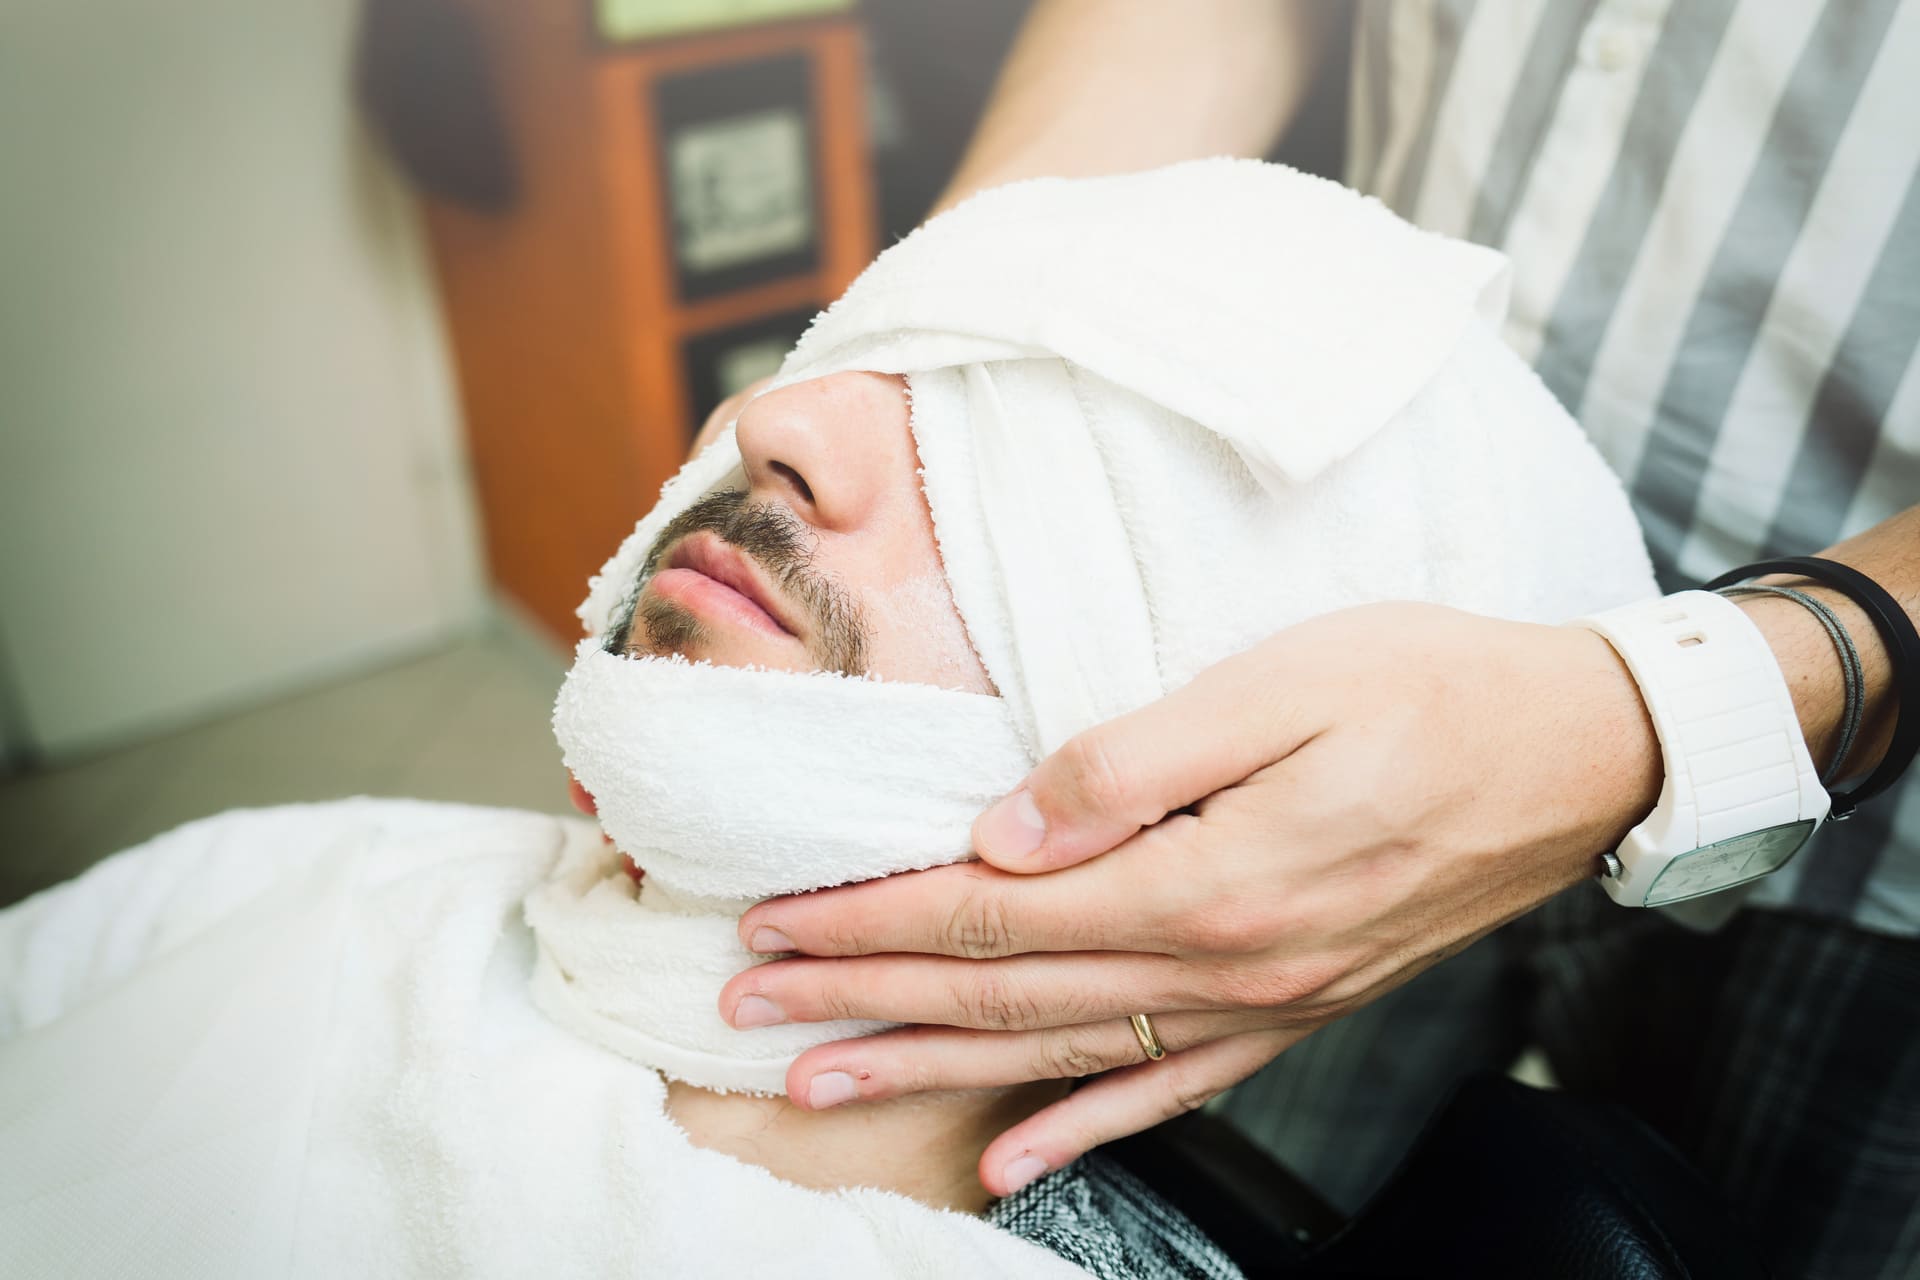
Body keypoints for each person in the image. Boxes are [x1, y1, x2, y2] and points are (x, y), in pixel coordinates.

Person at [0, 160, 1653, 1277]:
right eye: (878, 356)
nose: (775, 421)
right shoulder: (297, 870)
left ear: (1229, 807)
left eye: (1025, 471)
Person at [714, 5, 1920, 1277]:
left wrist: (1681, 705)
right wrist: (914, 337)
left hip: (1871, 851)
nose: (777, 435)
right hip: (1300, 712)